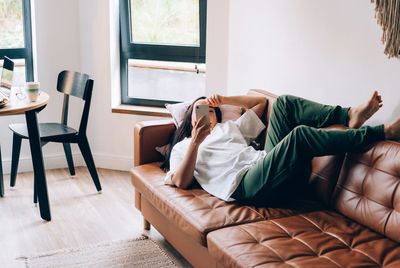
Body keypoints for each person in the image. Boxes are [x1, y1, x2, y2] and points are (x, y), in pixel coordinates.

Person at [162, 91, 400, 205]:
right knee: (299, 137)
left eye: (210, 110)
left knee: (284, 103)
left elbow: (261, 103)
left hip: (266, 164)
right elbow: (181, 181)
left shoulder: (229, 128)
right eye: (199, 110)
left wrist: (224, 99)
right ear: (190, 119)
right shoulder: (183, 148)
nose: (206, 113)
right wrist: (196, 140)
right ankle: (384, 132)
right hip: (244, 185)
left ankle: (348, 115)